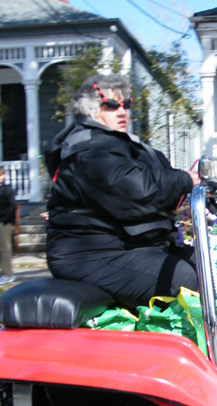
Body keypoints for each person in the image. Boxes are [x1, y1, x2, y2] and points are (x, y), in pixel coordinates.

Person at [45, 73, 200, 309]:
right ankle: (167, 342)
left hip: (123, 246)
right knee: (181, 278)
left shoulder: (114, 144)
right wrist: (184, 179)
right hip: (88, 255)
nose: (121, 111)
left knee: (206, 263)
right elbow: (136, 192)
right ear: (91, 111)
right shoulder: (89, 147)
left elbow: (153, 180)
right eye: (110, 106)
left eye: (125, 105)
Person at [0, 166, 17, 285]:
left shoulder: (7, 189)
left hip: (4, 223)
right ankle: (6, 273)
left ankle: (7, 275)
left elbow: (12, 206)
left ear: (3, 175)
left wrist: (5, 220)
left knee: (4, 249)